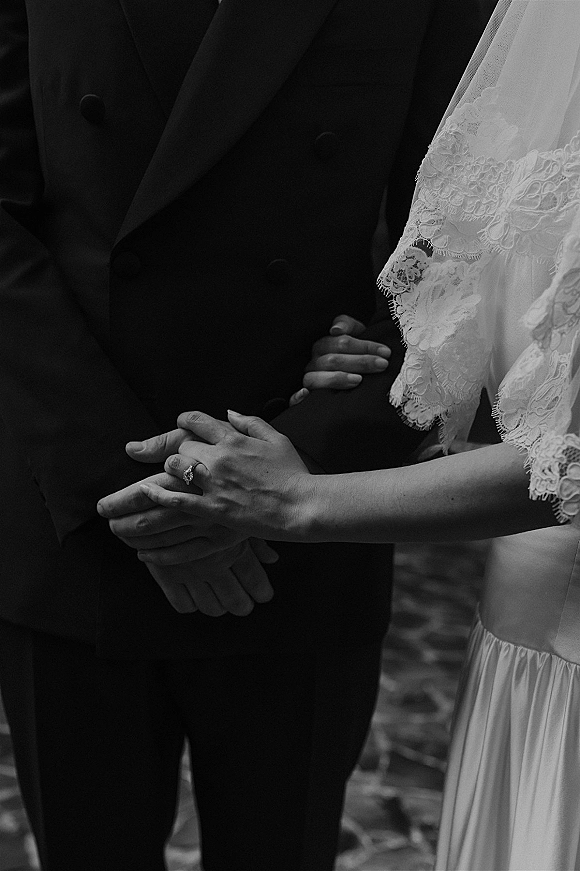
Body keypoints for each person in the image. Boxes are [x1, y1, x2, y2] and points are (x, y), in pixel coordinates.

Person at [0, 1, 486, 869]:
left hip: (304, 519)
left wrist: (303, 463)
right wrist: (127, 485)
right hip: (71, 497)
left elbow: (463, 232)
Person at [100, 2, 580, 868]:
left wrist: (301, 498)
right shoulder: (539, 24)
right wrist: (364, 352)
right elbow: (447, 292)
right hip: (521, 628)